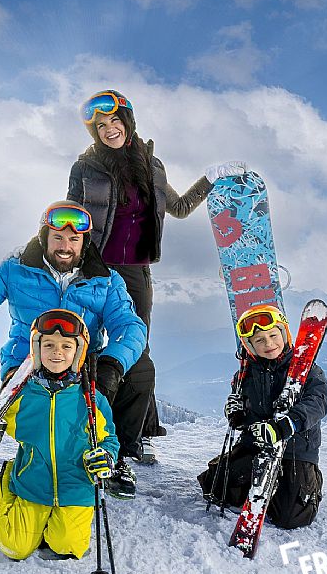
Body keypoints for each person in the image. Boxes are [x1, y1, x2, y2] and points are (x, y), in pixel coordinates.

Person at [67, 89, 244, 475]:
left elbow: (178, 208)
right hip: (95, 268)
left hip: (136, 271)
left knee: (136, 349)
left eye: (114, 121)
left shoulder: (153, 165)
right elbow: (72, 217)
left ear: (127, 121)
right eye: (101, 126)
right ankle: (86, 429)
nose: (109, 129)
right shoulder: (85, 168)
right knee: (87, 346)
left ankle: (137, 434)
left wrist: (209, 180)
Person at [0, 200, 146, 497]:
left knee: (141, 374)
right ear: (44, 237)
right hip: (26, 365)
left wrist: (112, 363)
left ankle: (113, 456)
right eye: (58, 238)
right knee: (44, 417)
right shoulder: (17, 269)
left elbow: (130, 327)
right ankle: (30, 469)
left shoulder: (105, 281)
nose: (65, 246)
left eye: (74, 239)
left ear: (84, 243)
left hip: (81, 364)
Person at [0, 309, 119, 560]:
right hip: (32, 483)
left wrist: (106, 456)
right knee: (15, 548)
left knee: (68, 547)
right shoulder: (21, 395)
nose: (57, 352)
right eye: (48, 345)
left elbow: (109, 439)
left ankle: (53, 522)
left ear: (78, 352)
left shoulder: (91, 399)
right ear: (36, 349)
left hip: (76, 486)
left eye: (66, 346)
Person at [197, 304, 327, 529]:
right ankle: (262, 482)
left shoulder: (308, 371)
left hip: (295, 450)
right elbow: (244, 412)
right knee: (214, 488)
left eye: (273, 336)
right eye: (259, 340)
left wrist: (285, 425)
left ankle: (304, 484)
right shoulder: (245, 374)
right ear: (249, 345)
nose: (268, 344)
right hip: (255, 445)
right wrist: (237, 414)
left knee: (291, 517)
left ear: (284, 334)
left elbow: (317, 403)